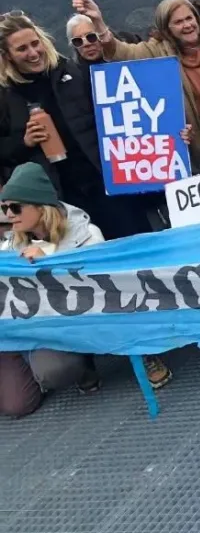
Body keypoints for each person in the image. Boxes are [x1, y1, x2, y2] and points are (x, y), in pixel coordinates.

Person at [0, 12, 155, 239]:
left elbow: (120, 111)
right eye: (22, 49)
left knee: (136, 245)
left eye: (35, 44)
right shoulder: (5, 95)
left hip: (104, 184)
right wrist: (23, 142)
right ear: (7, 55)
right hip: (55, 201)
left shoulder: (70, 71)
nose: (33, 53)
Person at [71, 0, 200, 167]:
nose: (187, 25)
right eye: (178, 22)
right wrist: (98, 22)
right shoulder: (159, 50)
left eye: (189, 18)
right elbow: (122, 53)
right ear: (166, 28)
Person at [0, 163, 104, 416]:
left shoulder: (87, 233)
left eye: (15, 207)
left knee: (54, 372)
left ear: (40, 206)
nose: (9, 214)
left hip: (71, 321)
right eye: (4, 208)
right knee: (18, 403)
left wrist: (49, 257)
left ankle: (80, 365)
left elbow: (101, 280)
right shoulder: (12, 244)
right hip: (27, 327)